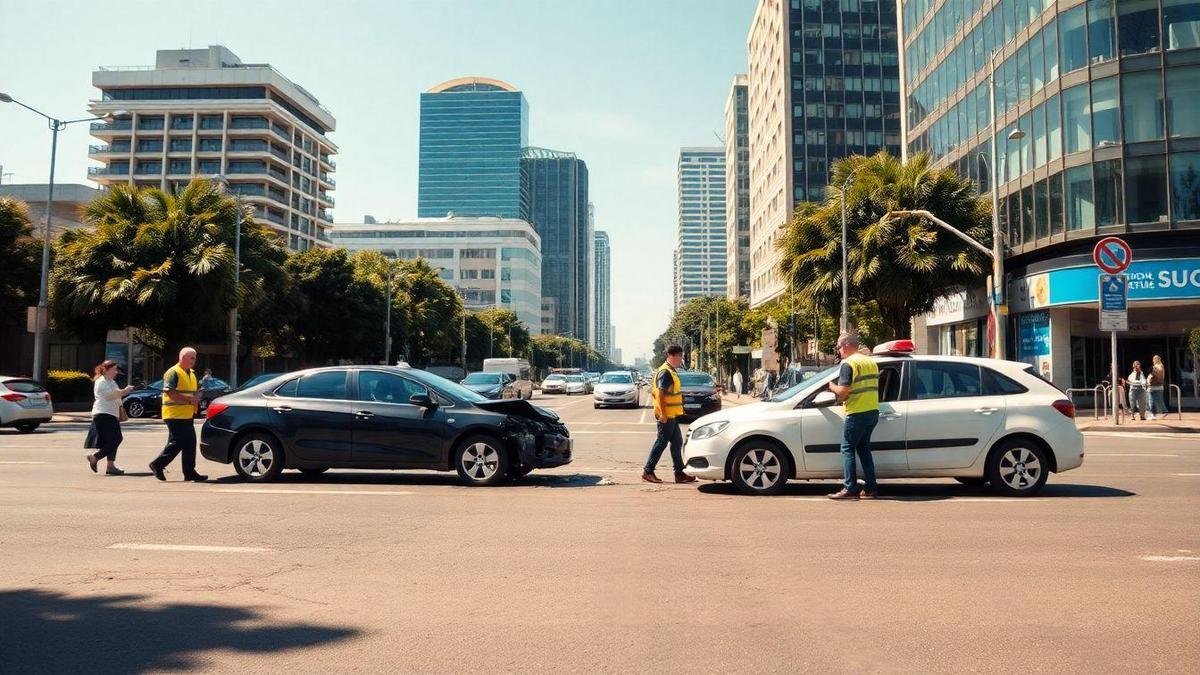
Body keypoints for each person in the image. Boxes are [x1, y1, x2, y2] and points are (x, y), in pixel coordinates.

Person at [827, 333, 880, 500]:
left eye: (839, 347)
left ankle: (850, 487)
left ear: (846, 346)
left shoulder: (848, 363)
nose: (838, 351)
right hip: (872, 411)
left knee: (847, 448)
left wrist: (831, 386)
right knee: (864, 449)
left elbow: (843, 393)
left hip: (856, 412)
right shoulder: (870, 362)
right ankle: (871, 488)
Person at [148, 347, 208, 482]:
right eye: (191, 357)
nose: (194, 360)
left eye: (195, 357)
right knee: (178, 442)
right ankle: (157, 464)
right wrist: (190, 399)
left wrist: (198, 394)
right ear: (182, 357)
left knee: (189, 443)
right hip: (174, 414)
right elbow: (170, 392)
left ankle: (189, 472)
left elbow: (196, 390)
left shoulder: (191, 373)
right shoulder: (173, 372)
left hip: (186, 414)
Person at [642, 345, 695, 484]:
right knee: (661, 442)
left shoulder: (671, 370)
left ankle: (680, 474)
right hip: (666, 416)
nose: (681, 359)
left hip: (672, 415)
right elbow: (660, 393)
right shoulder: (665, 371)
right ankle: (648, 471)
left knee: (677, 442)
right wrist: (663, 414)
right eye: (680, 356)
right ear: (673, 356)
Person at [85, 359, 134, 476]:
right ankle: (95, 457)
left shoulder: (111, 381)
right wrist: (123, 391)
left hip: (111, 414)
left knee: (112, 440)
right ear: (107, 370)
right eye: (114, 369)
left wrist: (122, 395)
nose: (116, 372)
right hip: (103, 414)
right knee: (116, 439)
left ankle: (110, 465)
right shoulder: (101, 381)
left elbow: (116, 396)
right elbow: (108, 396)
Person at [1147, 355, 1167, 421]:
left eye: (1153, 359)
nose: (1152, 360)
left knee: (1151, 401)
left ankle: (1153, 415)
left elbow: (1152, 376)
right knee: (1160, 400)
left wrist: (1148, 382)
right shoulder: (1162, 366)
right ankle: (1165, 411)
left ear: (1155, 360)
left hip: (1153, 386)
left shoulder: (1155, 367)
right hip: (1160, 386)